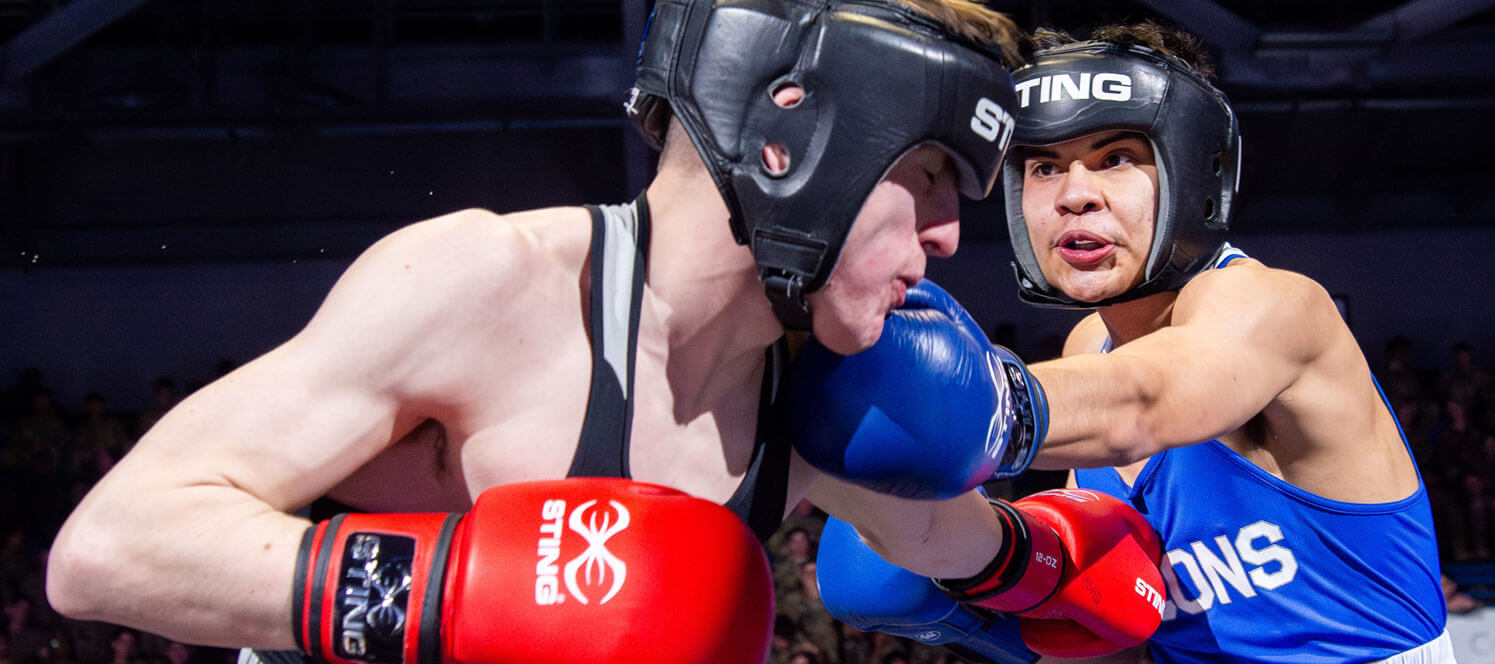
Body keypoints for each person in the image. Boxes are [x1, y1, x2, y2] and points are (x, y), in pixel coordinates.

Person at [46, 1, 1036, 663]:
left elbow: (957, 542)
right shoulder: (486, 284)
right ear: (795, 133)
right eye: (928, 175)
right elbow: (110, 546)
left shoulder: (828, 388)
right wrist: (455, 592)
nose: (949, 235)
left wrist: (1093, 566)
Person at [799, 21, 1452, 664]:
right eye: (1045, 167)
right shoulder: (1090, 349)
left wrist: (941, 403)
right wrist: (982, 581)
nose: (1075, 196)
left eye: (1116, 158)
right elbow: (1125, 625)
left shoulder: (1276, 306)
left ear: (1192, 173)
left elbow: (1147, 402)